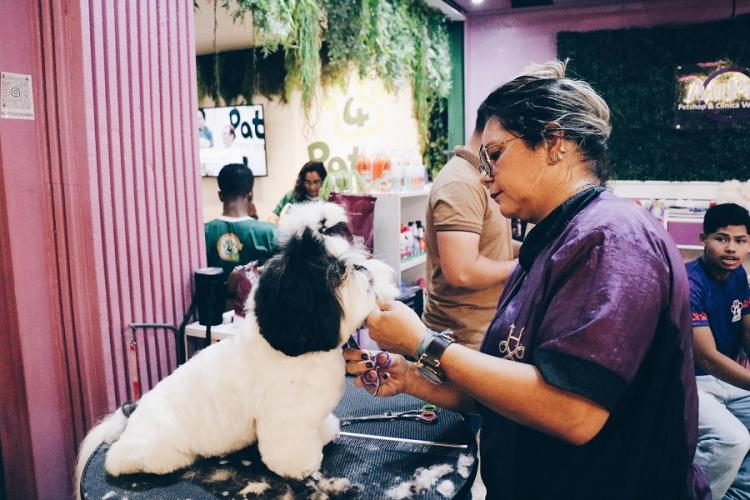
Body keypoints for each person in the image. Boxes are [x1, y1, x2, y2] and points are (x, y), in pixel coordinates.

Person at [344, 60, 709, 499]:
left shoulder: (609, 240)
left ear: (553, 142)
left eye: (495, 154)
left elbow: (571, 410)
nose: (484, 174)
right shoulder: (554, 241)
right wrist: (415, 379)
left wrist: (424, 342)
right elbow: (519, 388)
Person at [423, 102, 518, 350]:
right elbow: (462, 270)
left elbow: (489, 242)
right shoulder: (461, 182)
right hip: (464, 339)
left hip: (484, 331)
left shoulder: (484, 175)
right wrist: (524, 267)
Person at [688, 203, 750, 499]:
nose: (731, 249)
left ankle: (736, 494)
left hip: (729, 380)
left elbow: (748, 331)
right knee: (732, 439)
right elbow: (707, 357)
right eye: (721, 238)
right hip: (692, 380)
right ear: (703, 239)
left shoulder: (739, 277)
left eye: (740, 240)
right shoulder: (690, 283)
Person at [205, 163, 277, 280]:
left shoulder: (204, 233)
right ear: (251, 194)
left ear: (220, 195)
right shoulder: (271, 233)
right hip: (258, 298)